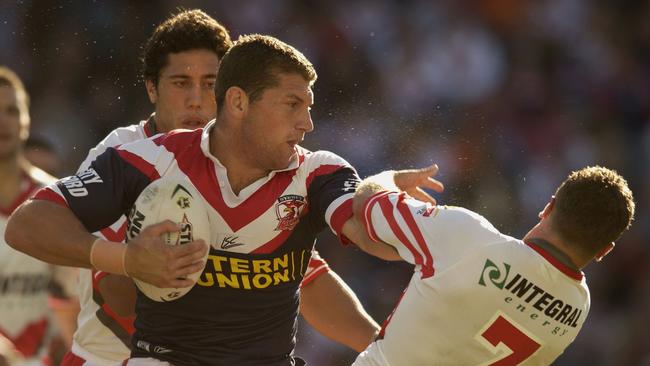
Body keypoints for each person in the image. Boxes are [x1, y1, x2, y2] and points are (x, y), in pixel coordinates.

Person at [5, 34, 441, 365]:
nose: (307, 123)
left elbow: (362, 232)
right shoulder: (147, 159)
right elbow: (27, 224)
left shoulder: (315, 172)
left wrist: (375, 190)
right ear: (237, 102)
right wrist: (125, 259)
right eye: (292, 104)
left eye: (309, 107)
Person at [348, 165, 635, 365]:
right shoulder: (578, 308)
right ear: (604, 251)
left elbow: (367, 203)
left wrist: (392, 179)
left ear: (548, 206)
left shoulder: (470, 239)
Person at [0, 66, 78, 366]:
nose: (3, 121)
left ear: (26, 120)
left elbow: (75, 296)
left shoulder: (55, 197)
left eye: (11, 110)